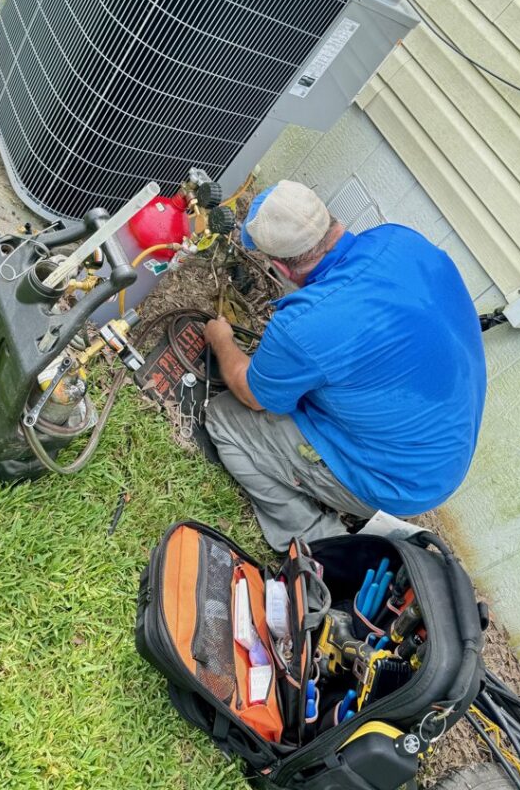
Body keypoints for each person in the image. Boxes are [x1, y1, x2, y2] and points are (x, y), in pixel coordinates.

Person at [204, 180, 486, 553]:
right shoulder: (400, 240)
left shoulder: (304, 325)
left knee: (225, 417)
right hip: (442, 456)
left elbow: (253, 395)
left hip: (398, 483)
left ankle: (322, 540)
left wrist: (221, 340)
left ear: (281, 268)